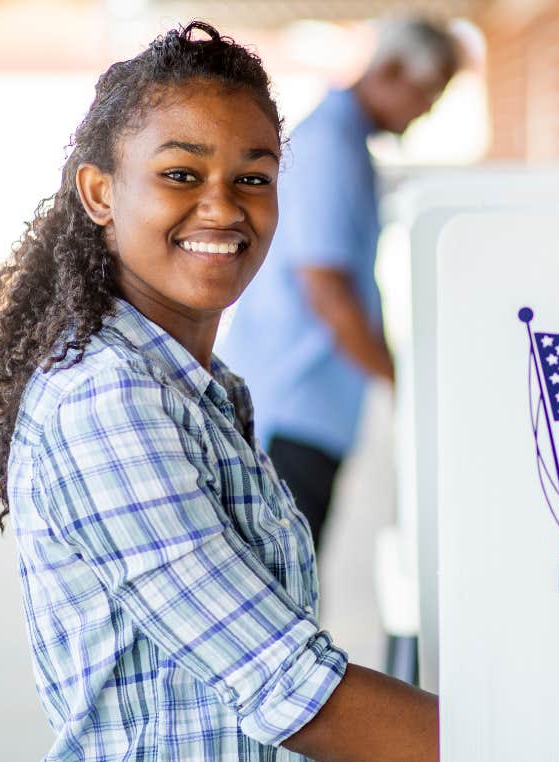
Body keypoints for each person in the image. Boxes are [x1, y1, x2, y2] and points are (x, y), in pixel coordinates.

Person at [0, 22, 436, 762]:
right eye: (182, 175)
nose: (223, 207)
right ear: (100, 191)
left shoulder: (201, 388)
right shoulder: (107, 400)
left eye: (253, 177)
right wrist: (512, 736)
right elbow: (289, 685)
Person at [216, 18, 461, 551]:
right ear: (392, 71)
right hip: (290, 411)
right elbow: (326, 289)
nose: (429, 110)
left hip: (308, 409)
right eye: (430, 92)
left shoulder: (347, 137)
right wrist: (403, 381)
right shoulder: (331, 143)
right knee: (283, 588)